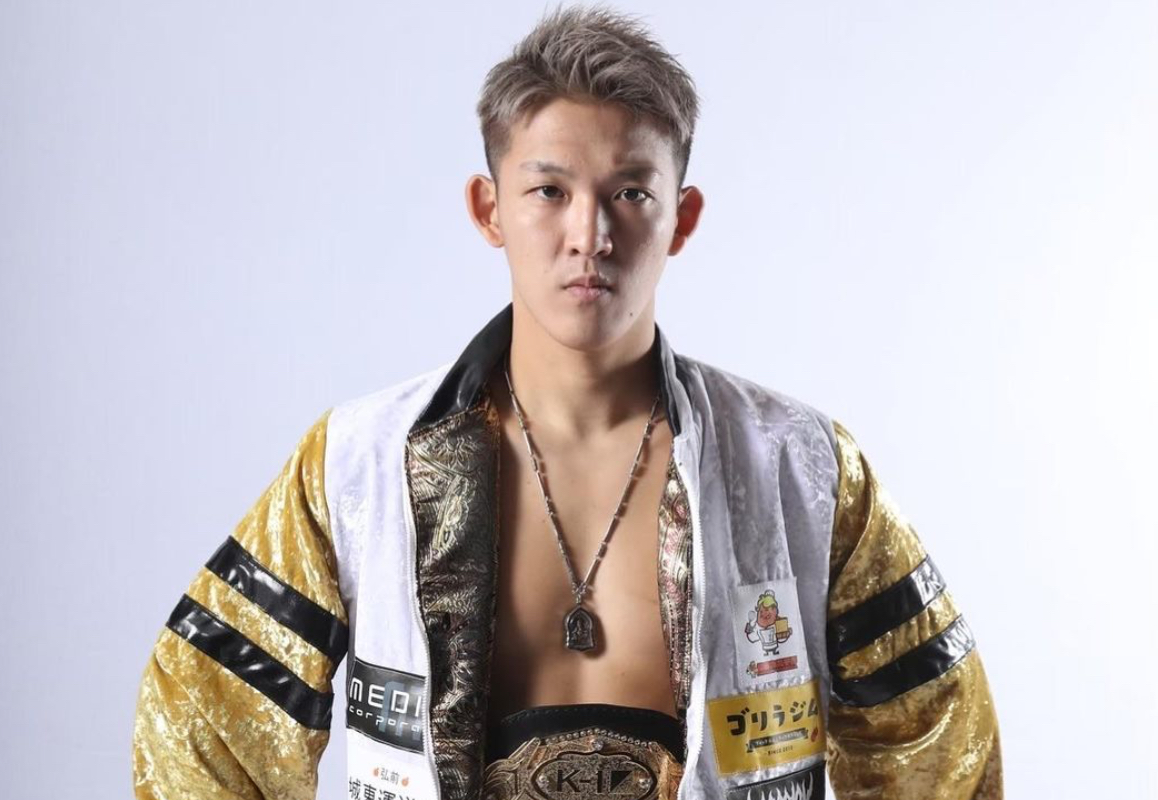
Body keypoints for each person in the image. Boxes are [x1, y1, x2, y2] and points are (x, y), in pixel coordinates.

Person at [132, 5, 1002, 799]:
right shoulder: (360, 465)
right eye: (550, 191)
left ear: (682, 217)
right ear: (490, 209)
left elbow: (938, 743)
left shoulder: (799, 467)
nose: (591, 234)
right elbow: (203, 727)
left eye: (630, 192)